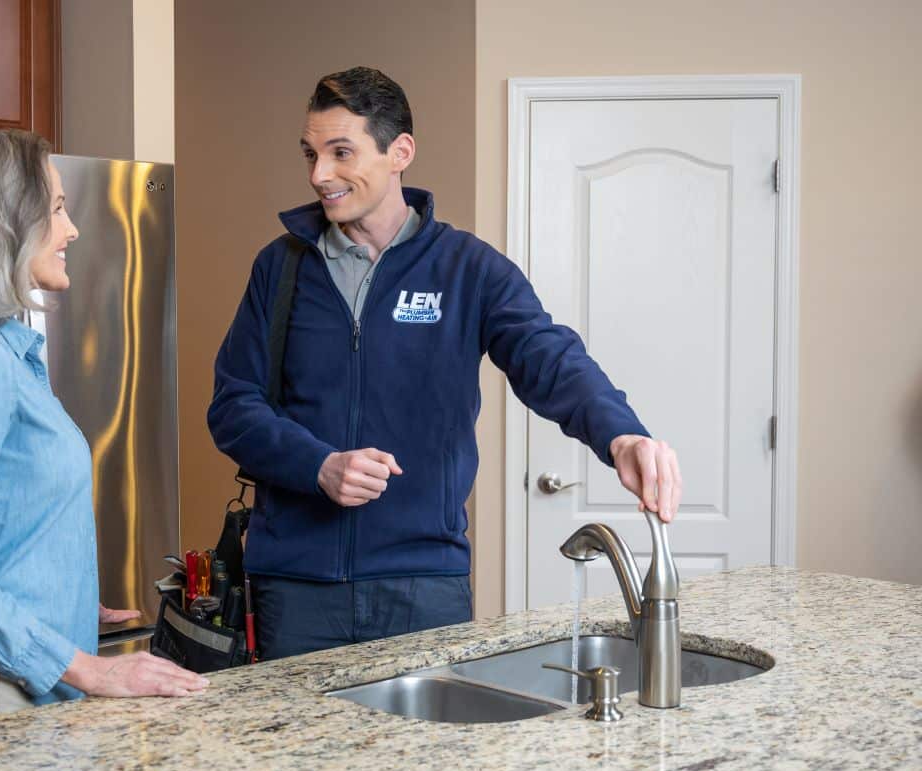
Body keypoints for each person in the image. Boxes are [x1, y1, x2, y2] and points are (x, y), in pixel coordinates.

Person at [207, 67, 682, 660]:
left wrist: (622, 436)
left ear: (399, 152)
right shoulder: (280, 268)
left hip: (423, 586)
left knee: (427, 757)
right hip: (296, 590)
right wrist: (318, 465)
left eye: (340, 152)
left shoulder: (468, 269)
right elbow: (234, 406)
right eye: (311, 153)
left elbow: (549, 356)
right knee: (298, 755)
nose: (318, 174)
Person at [0, 129, 206, 731]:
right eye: (56, 208)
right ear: (4, 222)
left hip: (7, 681)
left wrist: (58, 589)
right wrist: (92, 669)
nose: (72, 229)